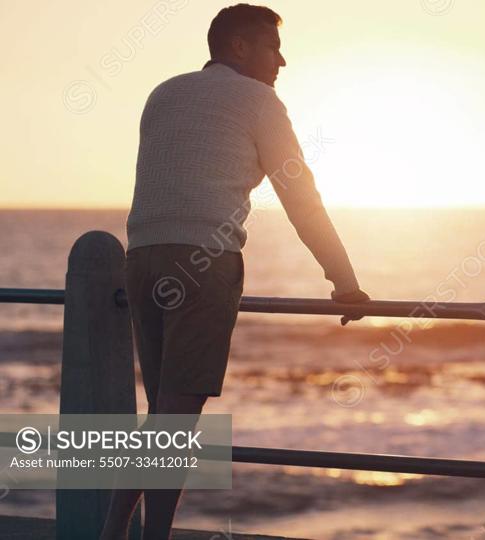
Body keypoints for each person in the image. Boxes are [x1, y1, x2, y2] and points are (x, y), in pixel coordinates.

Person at [100, 4, 369, 539]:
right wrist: (344, 279)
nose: (282, 60)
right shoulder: (258, 100)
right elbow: (300, 197)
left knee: (163, 415)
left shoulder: (163, 93)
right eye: (272, 47)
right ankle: (128, 534)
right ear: (239, 48)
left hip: (142, 256)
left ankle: (124, 533)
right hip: (203, 260)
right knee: (174, 419)